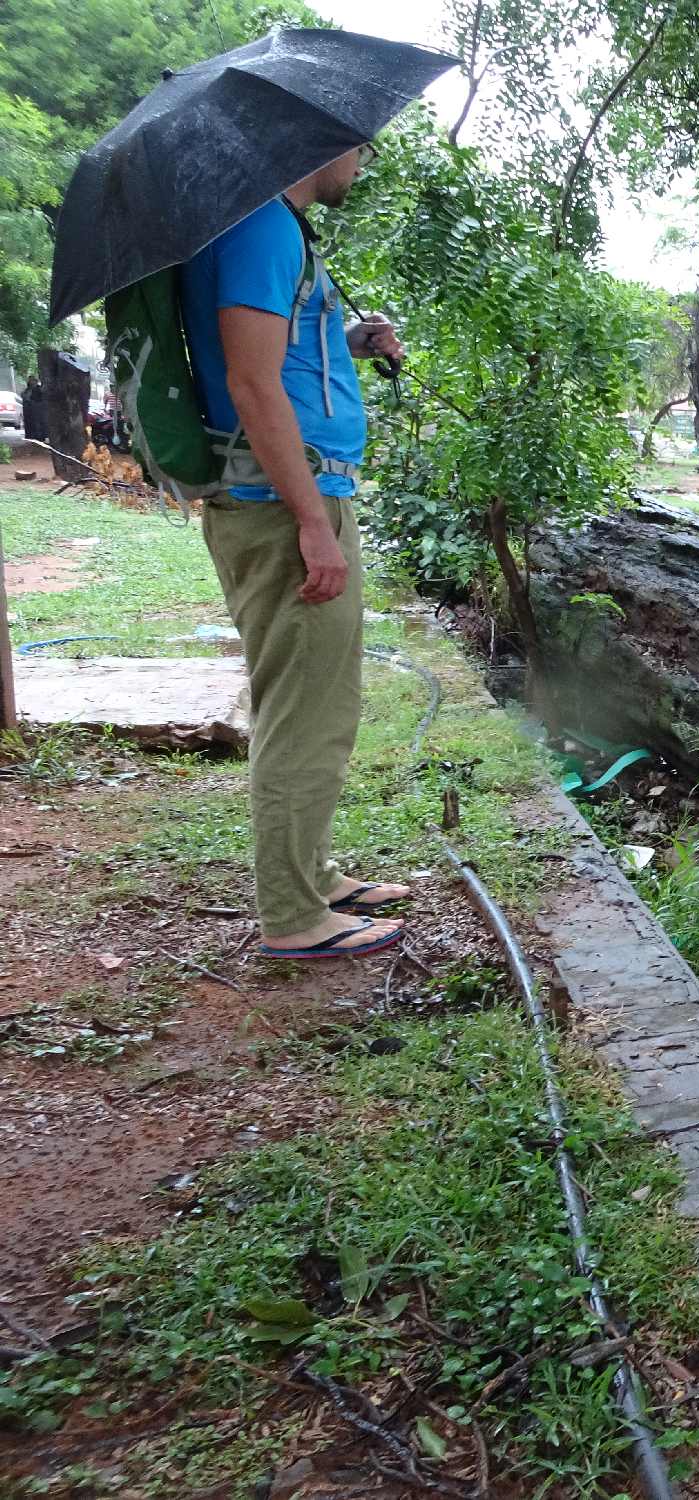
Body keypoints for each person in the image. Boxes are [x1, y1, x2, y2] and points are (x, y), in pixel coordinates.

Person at [180, 143, 409, 960]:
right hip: (284, 507)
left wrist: (343, 341)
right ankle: (292, 916)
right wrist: (313, 522)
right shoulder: (260, 229)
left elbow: (273, 357)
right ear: (322, 142)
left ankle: (310, 875)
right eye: (361, 145)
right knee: (300, 712)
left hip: (295, 497)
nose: (365, 159)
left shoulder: (270, 229)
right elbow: (250, 382)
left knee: (322, 703)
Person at [21, 377, 46, 443]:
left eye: (33, 381)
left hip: (37, 410)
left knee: (38, 424)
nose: (32, 382)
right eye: (31, 381)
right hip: (30, 411)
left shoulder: (38, 389)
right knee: (32, 424)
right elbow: (25, 397)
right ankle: (34, 437)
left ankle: (39, 437)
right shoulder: (28, 390)